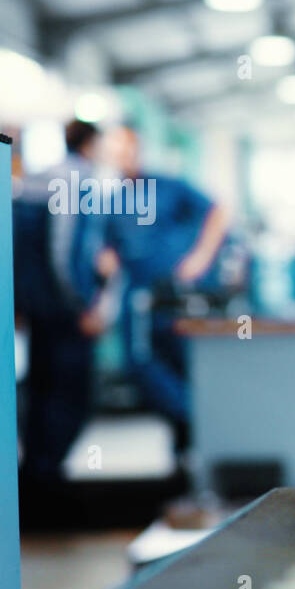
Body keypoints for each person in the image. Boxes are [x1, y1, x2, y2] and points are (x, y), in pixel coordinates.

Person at [15, 119, 120, 521]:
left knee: (41, 394)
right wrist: (84, 305)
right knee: (70, 396)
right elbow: (66, 251)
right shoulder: (79, 182)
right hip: (67, 314)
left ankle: (36, 485)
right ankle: (47, 490)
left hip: (39, 311)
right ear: (91, 143)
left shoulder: (33, 181)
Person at [103, 124, 230, 449]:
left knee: (184, 364)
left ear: (138, 148)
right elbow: (110, 249)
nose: (122, 155)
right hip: (137, 297)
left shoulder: (169, 186)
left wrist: (200, 258)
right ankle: (196, 418)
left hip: (176, 296)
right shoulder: (112, 198)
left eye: (127, 147)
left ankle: (190, 449)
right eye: (115, 149)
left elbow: (217, 212)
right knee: (138, 364)